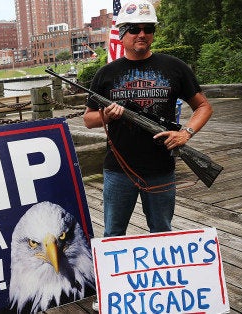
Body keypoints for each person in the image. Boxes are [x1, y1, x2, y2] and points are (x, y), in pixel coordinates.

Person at [83, 0, 214, 239]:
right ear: (122, 33)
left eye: (148, 28)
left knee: (162, 233)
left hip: (161, 168)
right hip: (118, 169)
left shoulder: (175, 67)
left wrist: (186, 133)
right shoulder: (105, 74)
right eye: (134, 29)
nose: (141, 34)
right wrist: (106, 115)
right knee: (113, 234)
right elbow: (89, 119)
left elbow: (203, 107)